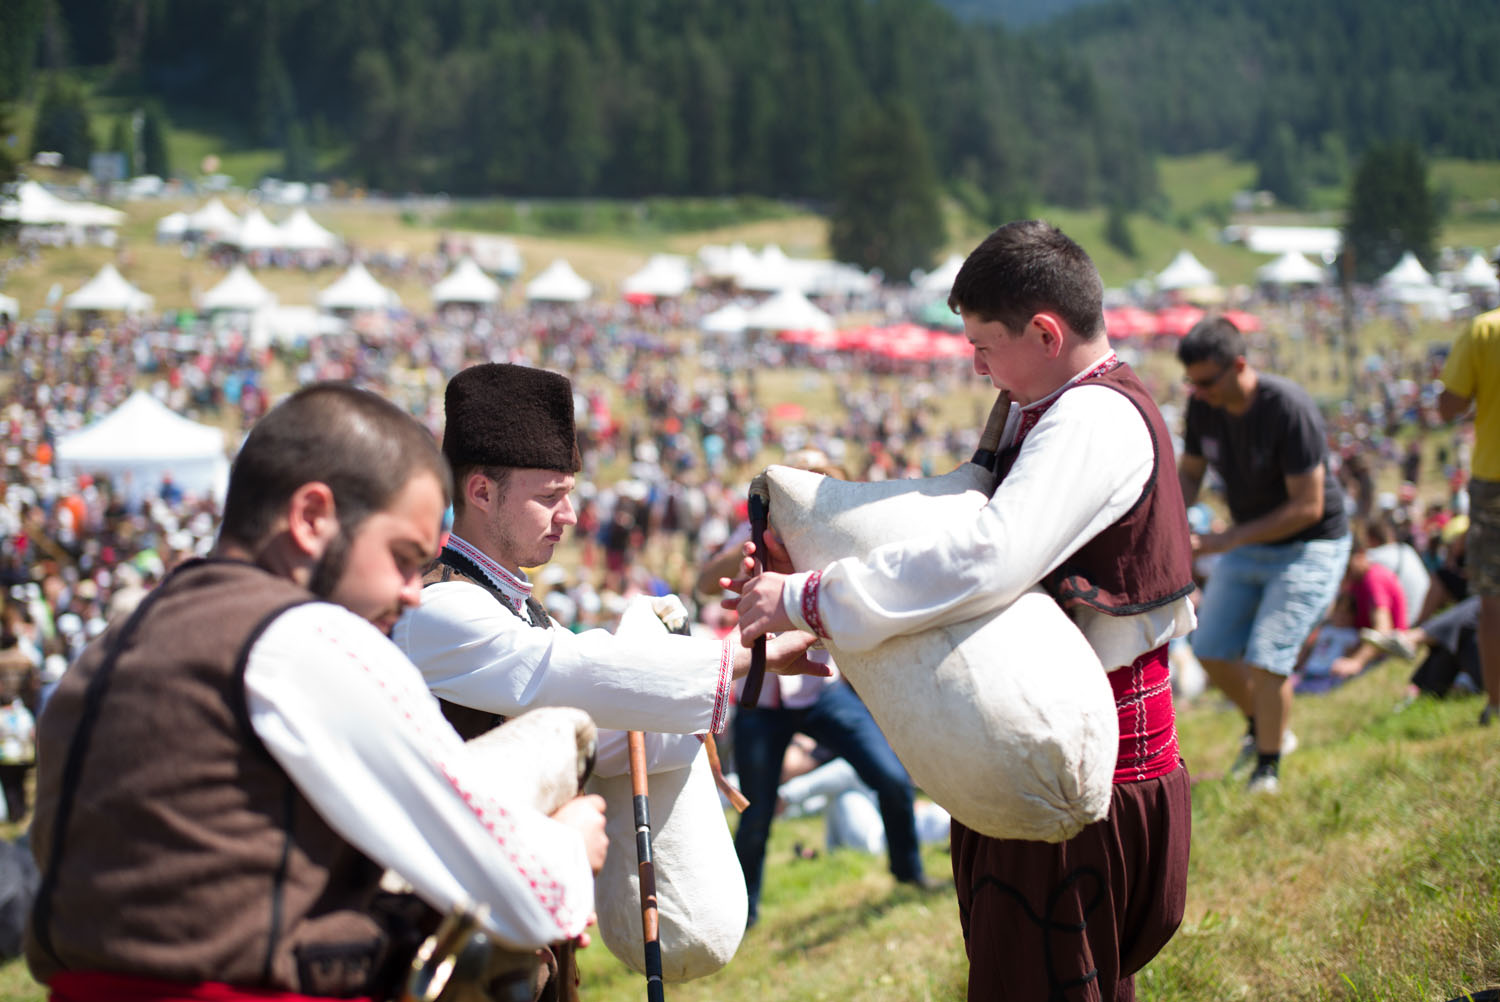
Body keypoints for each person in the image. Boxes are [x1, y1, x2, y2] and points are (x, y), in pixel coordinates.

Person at [729, 221, 1194, 1002]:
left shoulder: (1091, 420)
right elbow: (963, 512)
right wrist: (807, 557)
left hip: (1077, 762)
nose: (975, 365)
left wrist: (811, 598)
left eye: (985, 344)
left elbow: (988, 555)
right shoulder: (1040, 405)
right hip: (1036, 745)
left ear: (1045, 332)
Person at [25, 384, 608, 1000]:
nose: (413, 590)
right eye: (402, 555)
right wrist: (566, 843)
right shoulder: (304, 636)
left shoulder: (123, 638)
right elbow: (512, 888)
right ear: (311, 519)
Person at [393, 363, 820, 750]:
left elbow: (596, 733)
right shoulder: (437, 606)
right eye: (549, 496)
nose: (571, 516)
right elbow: (570, 673)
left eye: (568, 495)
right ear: (482, 492)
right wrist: (743, 657)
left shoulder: (518, 607)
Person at [696, 448, 934, 928]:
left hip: (820, 690)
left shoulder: (843, 538)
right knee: (757, 815)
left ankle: (909, 875)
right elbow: (704, 582)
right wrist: (753, 546)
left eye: (822, 479)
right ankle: (747, 915)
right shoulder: (756, 539)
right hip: (763, 702)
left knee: (890, 777)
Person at [1177, 316, 1350, 792]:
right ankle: (1267, 728)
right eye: (1192, 382)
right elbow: (1190, 474)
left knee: (1269, 658)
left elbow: (1308, 506)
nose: (1200, 391)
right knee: (1209, 647)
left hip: (1309, 545)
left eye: (1207, 381)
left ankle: (1267, 769)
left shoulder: (1286, 408)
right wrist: (1170, 515)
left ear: (1239, 365)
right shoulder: (1203, 408)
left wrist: (1226, 539)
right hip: (1252, 543)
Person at [1438, 278, 1500, 726]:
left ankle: (1496, 703)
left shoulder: (1483, 331)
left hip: (1494, 477)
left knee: (1493, 596)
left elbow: (1449, 407)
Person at [1328, 523, 1410, 680]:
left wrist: (1356, 662)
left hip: (1385, 655)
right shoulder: (1355, 583)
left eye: (1345, 565)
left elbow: (1383, 629)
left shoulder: (1374, 579)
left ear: (1361, 554)